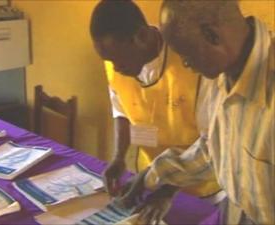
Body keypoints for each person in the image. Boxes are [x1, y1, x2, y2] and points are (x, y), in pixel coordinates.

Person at [120, 1, 274, 224]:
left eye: (186, 53)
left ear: (212, 36)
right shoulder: (222, 73)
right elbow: (215, 146)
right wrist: (153, 174)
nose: (185, 64)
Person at [89, 0, 220, 201]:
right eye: (108, 60)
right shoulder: (116, 63)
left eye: (118, 58)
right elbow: (121, 111)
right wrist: (118, 157)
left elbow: (212, 145)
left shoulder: (193, 62)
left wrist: (170, 188)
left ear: (141, 36)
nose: (115, 67)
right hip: (150, 177)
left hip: (201, 187)